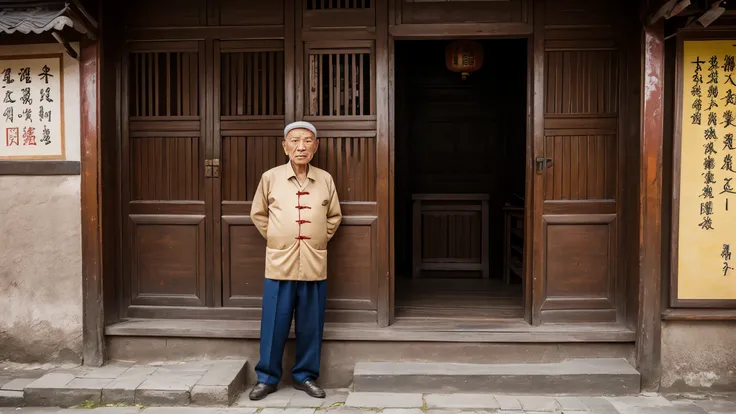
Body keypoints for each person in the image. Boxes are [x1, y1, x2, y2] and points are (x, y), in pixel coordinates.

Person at [248, 121, 342, 400]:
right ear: (284, 146)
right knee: (274, 323)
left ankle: (305, 376)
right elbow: (258, 214)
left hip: (314, 261)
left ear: (316, 146)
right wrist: (278, 237)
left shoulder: (325, 179)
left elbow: (334, 216)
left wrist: (318, 240)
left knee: (311, 323)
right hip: (280, 262)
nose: (301, 146)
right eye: (295, 140)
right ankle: (267, 378)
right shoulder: (271, 177)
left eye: (307, 141)